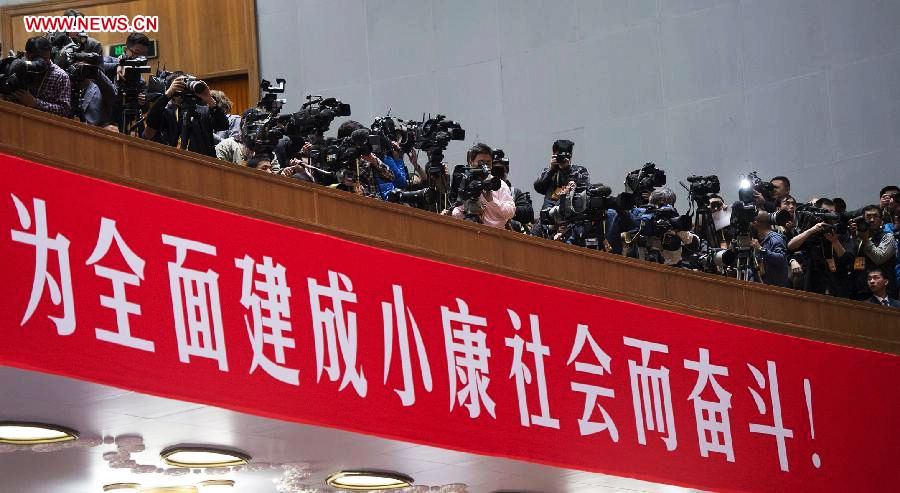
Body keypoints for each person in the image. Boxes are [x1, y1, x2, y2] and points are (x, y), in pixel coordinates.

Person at [143, 73, 228, 157]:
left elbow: (223, 126)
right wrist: (167, 94)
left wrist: (209, 99)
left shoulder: (204, 111)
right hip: (175, 163)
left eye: (185, 85)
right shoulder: (168, 114)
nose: (183, 89)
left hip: (204, 165)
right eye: (179, 86)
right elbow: (151, 122)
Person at [451, 143, 515, 228]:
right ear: (471, 162)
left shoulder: (499, 184)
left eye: (488, 163)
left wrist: (492, 201)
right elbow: (456, 212)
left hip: (494, 234)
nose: (485, 166)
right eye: (480, 162)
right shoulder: (464, 181)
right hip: (467, 231)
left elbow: (510, 212)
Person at [9, 36, 71, 117]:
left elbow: (64, 110)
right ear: (27, 55)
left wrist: (35, 103)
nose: (43, 63)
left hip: (47, 127)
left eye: (46, 59)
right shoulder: (21, 68)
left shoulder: (61, 76)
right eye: (39, 59)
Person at [847, 205, 897, 300]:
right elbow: (851, 260)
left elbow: (879, 258)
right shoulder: (858, 236)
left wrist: (865, 239)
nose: (872, 220)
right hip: (860, 289)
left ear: (881, 220)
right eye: (868, 217)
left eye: (875, 216)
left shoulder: (888, 236)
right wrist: (854, 236)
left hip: (882, 291)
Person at [751, 211, 789, 287]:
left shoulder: (775, 238)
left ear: (756, 223)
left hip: (777, 290)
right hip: (765, 286)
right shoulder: (761, 240)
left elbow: (781, 258)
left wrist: (761, 249)